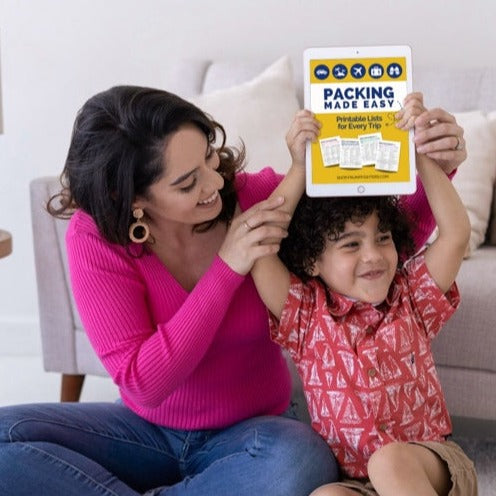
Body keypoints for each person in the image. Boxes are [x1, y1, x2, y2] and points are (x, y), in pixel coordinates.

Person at [0, 87, 465, 496]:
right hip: (145, 429)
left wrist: (437, 166)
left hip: (256, 435)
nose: (214, 181)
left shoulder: (254, 198)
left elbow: (380, 249)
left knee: (302, 464)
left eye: (208, 156)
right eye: (188, 181)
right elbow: (144, 382)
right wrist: (228, 266)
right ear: (131, 199)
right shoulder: (97, 236)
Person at [250, 95, 478, 496]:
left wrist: (420, 151)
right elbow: (261, 249)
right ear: (312, 260)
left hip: (431, 465)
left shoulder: (411, 297)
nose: (373, 255)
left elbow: (455, 233)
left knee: (389, 460)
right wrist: (301, 167)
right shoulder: (306, 317)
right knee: (326, 495)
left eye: (383, 238)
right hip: (358, 483)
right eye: (350, 245)